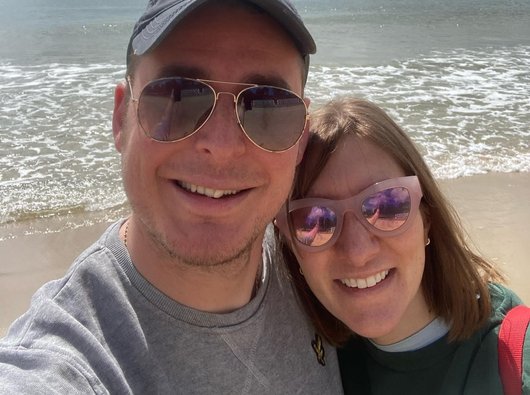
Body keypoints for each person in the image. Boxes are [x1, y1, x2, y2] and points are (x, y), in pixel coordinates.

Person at [0, 1, 344, 393]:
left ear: (301, 139)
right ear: (120, 120)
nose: (222, 145)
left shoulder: (317, 272)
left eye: (268, 106)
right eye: (177, 96)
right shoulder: (68, 364)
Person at [275, 97, 530, 394]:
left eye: (387, 206)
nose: (358, 252)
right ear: (293, 249)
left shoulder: (514, 359)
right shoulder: (316, 364)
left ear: (427, 218)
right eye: (314, 220)